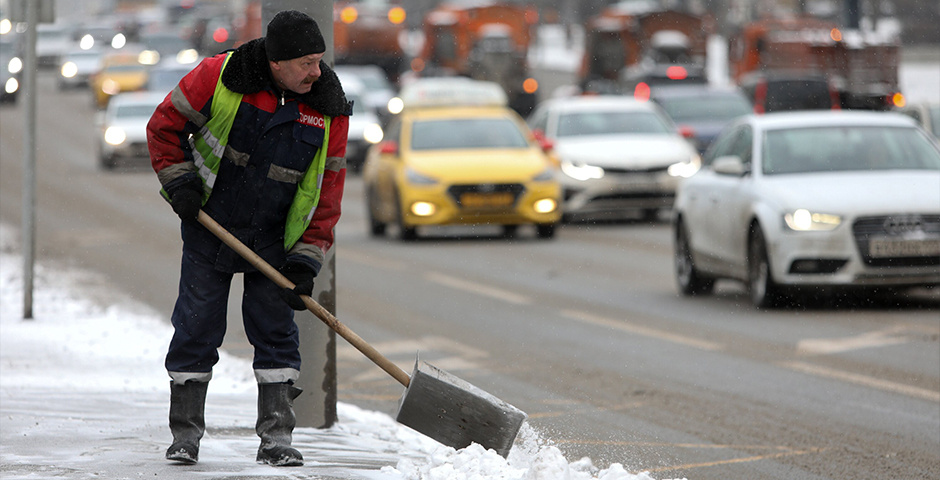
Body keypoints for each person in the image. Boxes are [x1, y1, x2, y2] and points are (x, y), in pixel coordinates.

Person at [146, 10, 350, 467]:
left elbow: (325, 196)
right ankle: (185, 435)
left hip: (276, 240)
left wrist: (305, 262)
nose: (316, 72)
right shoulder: (220, 77)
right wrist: (180, 184)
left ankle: (277, 437)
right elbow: (164, 128)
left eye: (319, 61)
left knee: (276, 334)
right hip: (210, 224)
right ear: (277, 62)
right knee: (196, 327)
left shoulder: (328, 110)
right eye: (306, 63)